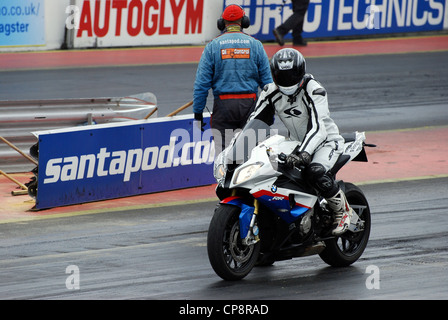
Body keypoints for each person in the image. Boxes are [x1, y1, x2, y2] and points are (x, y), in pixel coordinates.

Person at [247, 48, 353, 235]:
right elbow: (254, 122)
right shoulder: (270, 91)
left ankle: (343, 211)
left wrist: (304, 154)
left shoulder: (315, 90)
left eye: (292, 75)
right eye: (282, 76)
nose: (287, 80)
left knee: (314, 171)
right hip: (296, 141)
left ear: (301, 71)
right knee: (271, 169)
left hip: (325, 141)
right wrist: (241, 148)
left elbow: (318, 127)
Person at [193, 4, 273, 151]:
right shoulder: (256, 45)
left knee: (224, 155)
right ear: (244, 21)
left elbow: (201, 84)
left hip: (223, 106)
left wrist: (198, 113)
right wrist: (271, 112)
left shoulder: (213, 46)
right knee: (253, 152)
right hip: (250, 104)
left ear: (222, 23)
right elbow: (268, 84)